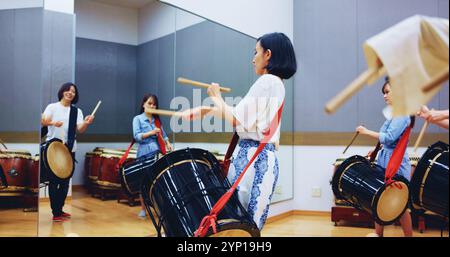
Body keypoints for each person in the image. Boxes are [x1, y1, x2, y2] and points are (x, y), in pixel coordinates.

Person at [183, 32, 297, 230]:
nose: (253, 59)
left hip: (254, 158)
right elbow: (248, 121)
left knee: (240, 224)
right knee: (243, 224)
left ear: (268, 54)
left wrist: (215, 97)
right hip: (256, 156)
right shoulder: (276, 83)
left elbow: (237, 119)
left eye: (256, 52)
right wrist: (208, 109)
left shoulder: (268, 81)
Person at [355, 77, 413, 237]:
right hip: (386, 159)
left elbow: (388, 138)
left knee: (400, 206)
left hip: (396, 163)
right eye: (384, 93)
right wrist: (374, 152)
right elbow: (386, 141)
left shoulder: (402, 115)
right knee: (379, 198)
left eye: (387, 92)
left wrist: (366, 132)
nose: (384, 96)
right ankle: (378, 234)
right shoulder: (396, 113)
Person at [41, 82, 95, 222]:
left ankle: (60, 209)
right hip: (53, 149)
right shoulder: (52, 107)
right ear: (62, 91)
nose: (70, 93)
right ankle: (56, 212)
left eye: (73, 91)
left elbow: (80, 129)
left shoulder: (77, 111)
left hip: (69, 149)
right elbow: (43, 121)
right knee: (54, 182)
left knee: (65, 182)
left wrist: (87, 123)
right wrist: (53, 123)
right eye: (68, 90)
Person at [133, 94, 172, 218]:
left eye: (154, 104)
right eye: (149, 103)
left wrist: (168, 143)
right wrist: (151, 132)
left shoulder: (157, 120)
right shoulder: (137, 119)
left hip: (156, 151)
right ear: (143, 104)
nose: (152, 106)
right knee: (143, 181)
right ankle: (143, 209)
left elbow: (164, 135)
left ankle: (159, 208)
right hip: (144, 151)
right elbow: (137, 136)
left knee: (158, 181)